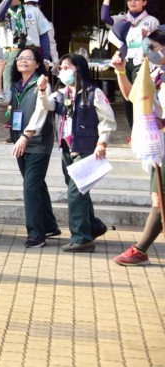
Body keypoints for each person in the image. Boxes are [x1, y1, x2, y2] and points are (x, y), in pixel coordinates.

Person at [39, 53, 114, 252]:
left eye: (66, 67)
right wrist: (42, 90)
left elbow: (107, 120)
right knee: (80, 190)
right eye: (61, 68)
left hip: (87, 148)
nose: (62, 71)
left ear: (77, 69)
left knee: (75, 193)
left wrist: (102, 143)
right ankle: (94, 226)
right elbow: (48, 106)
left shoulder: (93, 93)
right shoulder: (61, 94)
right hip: (66, 147)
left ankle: (81, 238)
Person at [0, 46, 61, 248]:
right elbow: (0, 99)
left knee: (30, 187)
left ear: (38, 63)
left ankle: (36, 234)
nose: (23, 61)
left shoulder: (42, 84)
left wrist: (25, 136)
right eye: (20, 58)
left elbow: (41, 113)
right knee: (36, 184)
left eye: (28, 58)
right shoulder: (15, 85)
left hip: (37, 142)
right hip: (20, 141)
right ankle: (49, 225)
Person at [108, 28, 165, 266]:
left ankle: (141, 249)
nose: (148, 52)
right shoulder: (154, 72)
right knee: (158, 197)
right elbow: (133, 96)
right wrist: (121, 72)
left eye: (152, 48)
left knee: (159, 199)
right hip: (158, 145)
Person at [101, 0, 159, 128]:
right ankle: (133, 131)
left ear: (144, 2)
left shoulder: (151, 21)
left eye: (137, 0)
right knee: (127, 98)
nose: (133, 2)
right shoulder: (122, 19)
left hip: (143, 63)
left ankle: (145, 129)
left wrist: (146, 37)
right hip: (125, 62)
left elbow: (157, 45)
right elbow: (104, 17)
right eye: (130, 0)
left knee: (141, 96)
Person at [0, 0, 52, 93]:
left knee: (36, 88)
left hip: (31, 52)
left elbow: (44, 35)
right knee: (9, 90)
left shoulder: (33, 10)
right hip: (11, 53)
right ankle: (11, 110)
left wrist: (46, 58)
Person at [23, 0, 59, 67]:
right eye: (28, 5)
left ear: (39, 6)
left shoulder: (46, 23)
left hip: (38, 57)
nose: (31, 8)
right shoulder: (18, 19)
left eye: (34, 5)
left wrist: (54, 60)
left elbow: (50, 42)